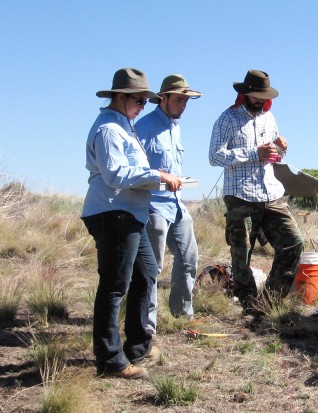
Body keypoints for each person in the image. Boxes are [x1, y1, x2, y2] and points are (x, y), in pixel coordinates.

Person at [81, 68, 182, 379]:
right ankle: (109, 360)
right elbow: (114, 175)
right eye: (139, 101)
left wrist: (157, 179)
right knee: (114, 286)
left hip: (130, 213)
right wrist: (158, 176)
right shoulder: (110, 129)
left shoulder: (125, 126)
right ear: (121, 98)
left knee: (147, 274)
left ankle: (138, 345)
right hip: (114, 213)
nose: (143, 107)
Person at [209, 69, 303, 316]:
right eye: (257, 95)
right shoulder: (227, 119)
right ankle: (248, 302)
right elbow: (214, 156)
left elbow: (272, 155)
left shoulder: (269, 118)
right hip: (240, 194)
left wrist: (281, 149)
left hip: (270, 192)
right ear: (246, 93)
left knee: (293, 243)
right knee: (241, 252)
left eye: (265, 95)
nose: (261, 100)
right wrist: (253, 153)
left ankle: (270, 302)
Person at [135, 74, 202, 334]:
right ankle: (145, 325)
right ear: (163, 99)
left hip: (175, 203)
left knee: (189, 258)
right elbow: (137, 168)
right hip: (152, 205)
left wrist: (178, 180)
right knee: (153, 267)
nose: (183, 105)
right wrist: (162, 178)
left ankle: (182, 314)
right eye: (179, 100)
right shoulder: (144, 126)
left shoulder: (176, 127)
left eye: (186, 101)